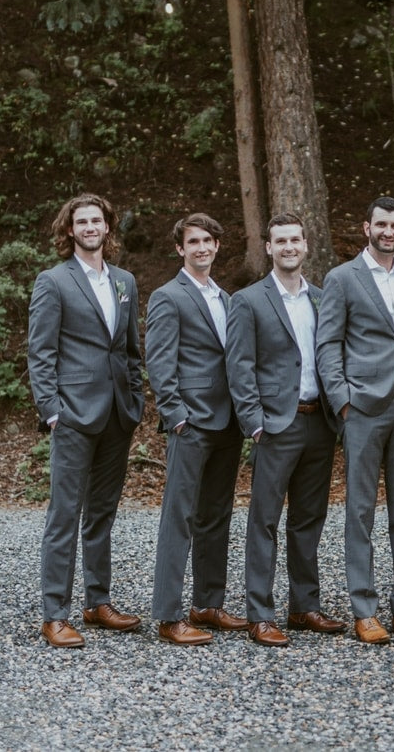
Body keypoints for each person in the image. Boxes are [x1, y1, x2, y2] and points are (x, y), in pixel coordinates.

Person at [27, 193, 144, 648]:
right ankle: (55, 613)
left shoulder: (125, 282)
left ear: (108, 228)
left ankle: (97, 602)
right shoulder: (53, 282)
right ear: (70, 230)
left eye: (97, 220)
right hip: (73, 415)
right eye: (82, 221)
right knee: (64, 514)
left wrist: (134, 401)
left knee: (102, 514)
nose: (91, 227)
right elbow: (41, 352)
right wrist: (52, 411)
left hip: (118, 413)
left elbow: (131, 349)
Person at [227, 213, 344, 647]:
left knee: (309, 518)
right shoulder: (249, 300)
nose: (289, 247)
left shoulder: (321, 297)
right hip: (277, 424)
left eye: (295, 239)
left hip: (320, 422)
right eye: (281, 241)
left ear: (306, 245)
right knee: (264, 520)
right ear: (269, 248)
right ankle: (260, 612)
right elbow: (239, 366)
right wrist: (254, 424)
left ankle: (304, 606)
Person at [315, 196, 394, 645]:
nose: (389, 232)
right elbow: (327, 346)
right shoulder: (342, 278)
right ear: (366, 227)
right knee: (359, 510)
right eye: (381, 224)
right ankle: (364, 609)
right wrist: (343, 403)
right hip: (362, 408)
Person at [146, 213, 246, 646]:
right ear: (180, 249)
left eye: (208, 239)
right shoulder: (168, 296)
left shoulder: (226, 297)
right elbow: (160, 362)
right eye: (194, 241)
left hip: (228, 422)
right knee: (179, 516)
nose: (202, 247)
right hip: (191, 421)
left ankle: (207, 602)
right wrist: (176, 415)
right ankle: (168, 615)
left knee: (215, 516)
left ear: (217, 246)